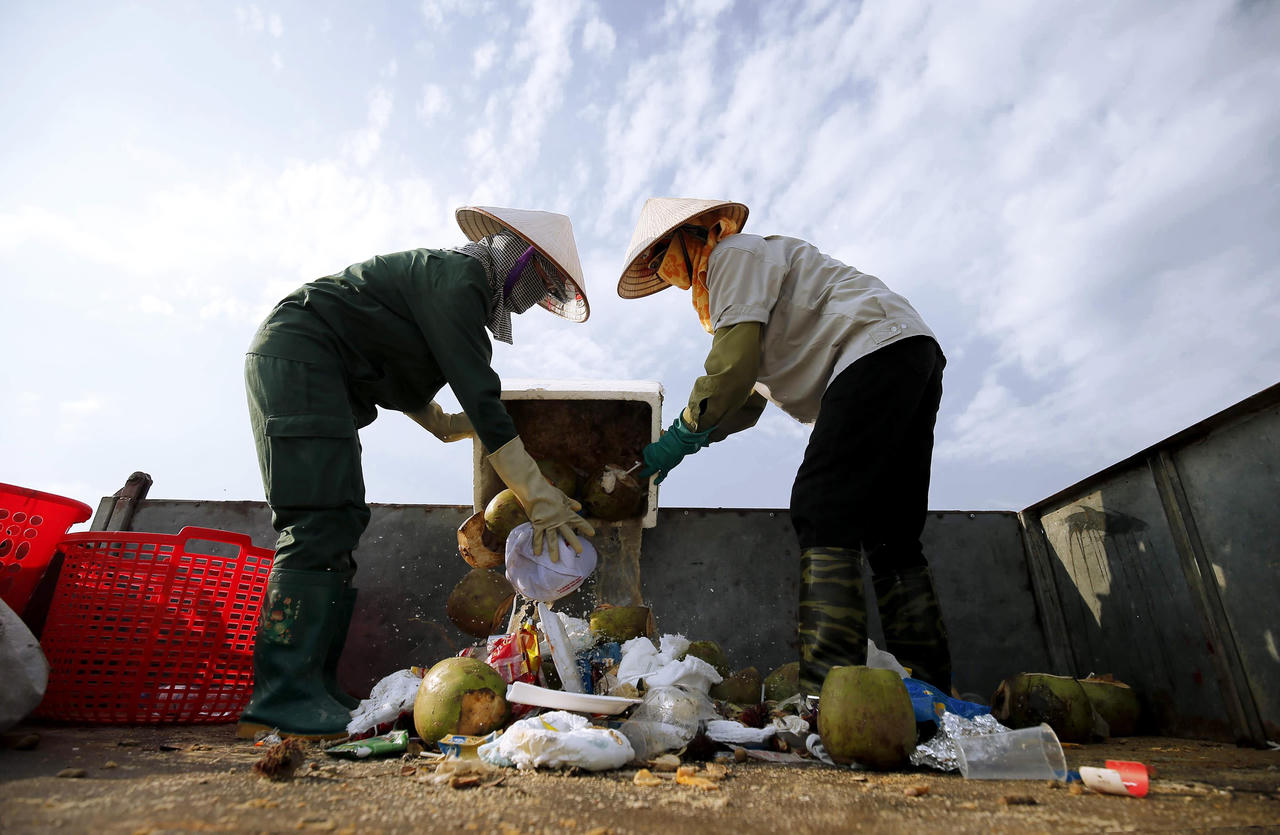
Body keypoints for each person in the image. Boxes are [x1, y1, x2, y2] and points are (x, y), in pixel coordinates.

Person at [238, 206, 595, 739]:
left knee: (340, 521)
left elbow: (420, 396)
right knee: (317, 519)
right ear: (515, 259)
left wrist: (456, 426)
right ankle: (281, 696)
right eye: (539, 279)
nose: (534, 298)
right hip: (301, 358)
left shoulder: (445, 293)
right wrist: (539, 497)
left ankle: (313, 686)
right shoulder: (458, 279)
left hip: (319, 371)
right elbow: (481, 393)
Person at [618, 197, 952, 696]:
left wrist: (676, 438)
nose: (665, 274)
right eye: (656, 269)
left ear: (692, 237)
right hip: (907, 352)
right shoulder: (747, 278)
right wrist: (688, 443)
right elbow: (745, 402)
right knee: (891, 534)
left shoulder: (731, 257)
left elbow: (730, 373)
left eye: (662, 257)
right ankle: (933, 697)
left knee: (821, 505)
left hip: (872, 350)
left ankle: (831, 693)